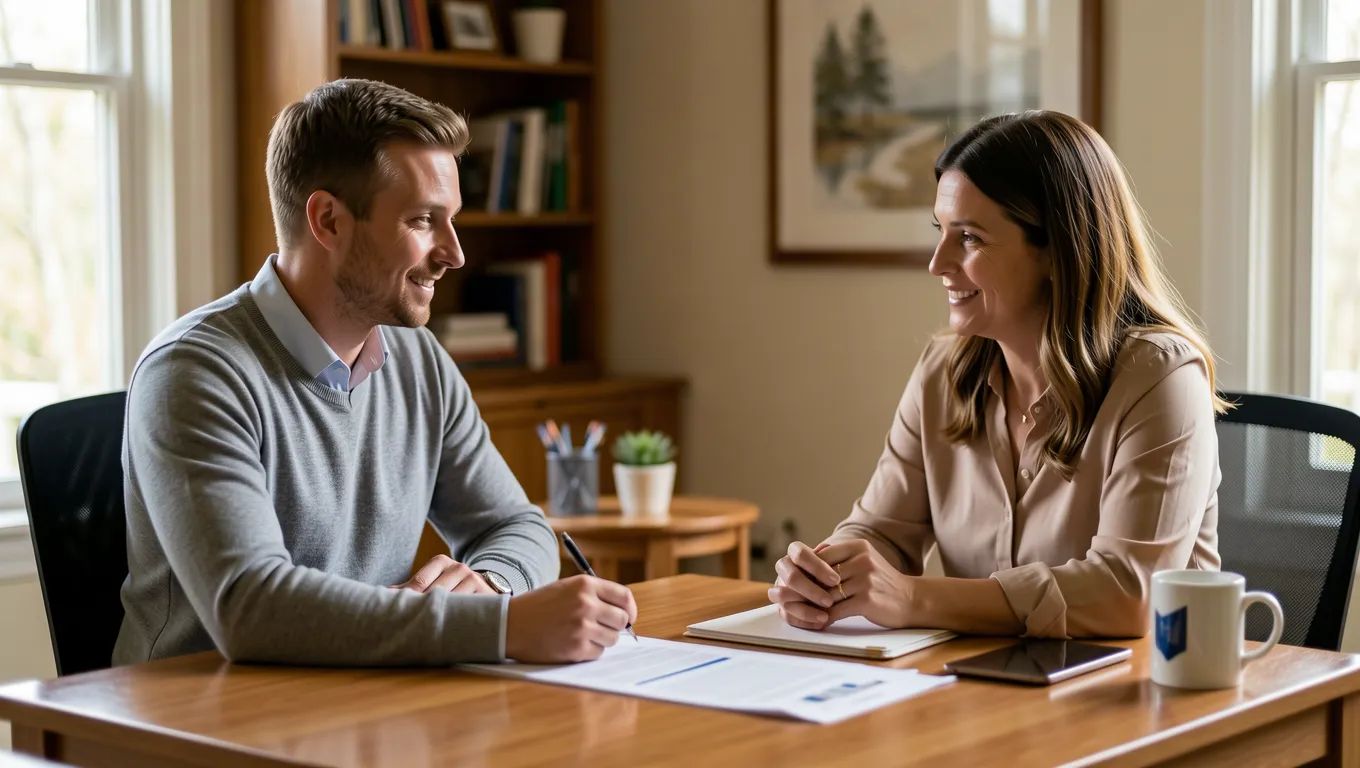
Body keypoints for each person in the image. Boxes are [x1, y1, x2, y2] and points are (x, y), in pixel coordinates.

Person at [114, 79, 635, 667]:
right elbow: (248, 605)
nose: (455, 252)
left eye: (453, 219)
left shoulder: (420, 362)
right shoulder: (194, 372)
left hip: (361, 705)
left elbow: (519, 525)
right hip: (198, 727)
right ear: (329, 221)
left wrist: (492, 586)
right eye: (423, 220)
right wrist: (496, 627)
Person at [771, 111, 1226, 639]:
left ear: (1058, 250)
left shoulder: (1160, 377)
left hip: (1139, 700)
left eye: (969, 238)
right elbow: (882, 531)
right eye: (940, 231)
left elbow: (1129, 594)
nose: (938, 262)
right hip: (985, 691)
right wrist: (829, 576)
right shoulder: (943, 371)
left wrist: (913, 597)